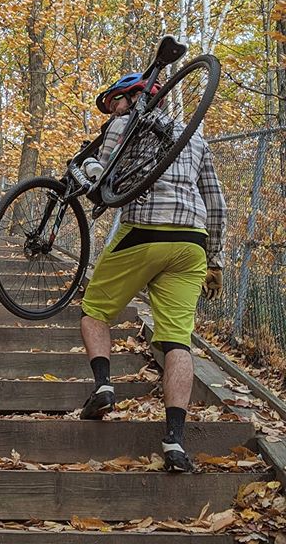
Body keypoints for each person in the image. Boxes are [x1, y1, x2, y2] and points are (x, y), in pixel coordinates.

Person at [78, 72, 227, 473]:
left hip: (143, 230)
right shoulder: (194, 135)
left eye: (113, 102)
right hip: (191, 243)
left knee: (94, 311)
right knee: (178, 341)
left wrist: (90, 165)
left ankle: (104, 386)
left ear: (132, 98)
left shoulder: (124, 126)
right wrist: (215, 260)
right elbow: (217, 204)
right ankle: (175, 442)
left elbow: (104, 176)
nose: (111, 110)